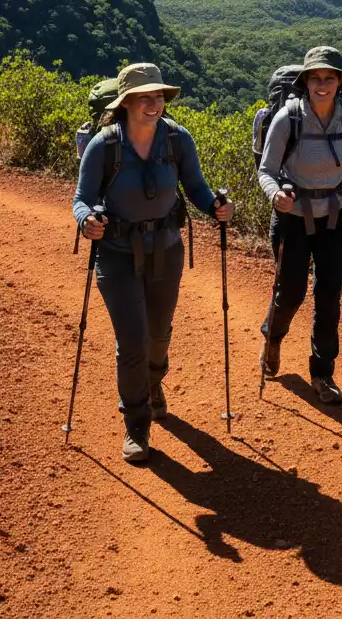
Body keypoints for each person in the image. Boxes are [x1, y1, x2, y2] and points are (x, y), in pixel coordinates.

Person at [74, 62, 234, 464]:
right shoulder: (104, 145)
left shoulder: (178, 140)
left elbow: (194, 186)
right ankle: (136, 423)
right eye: (144, 97)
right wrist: (87, 220)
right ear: (125, 102)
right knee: (133, 341)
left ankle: (152, 382)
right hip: (116, 253)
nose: (153, 104)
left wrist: (214, 204)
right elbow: (82, 198)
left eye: (158, 96)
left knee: (159, 335)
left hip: (166, 249)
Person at [257, 46, 342, 404]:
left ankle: (323, 373)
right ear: (306, 81)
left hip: (335, 216)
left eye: (329, 78)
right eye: (316, 77)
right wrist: (276, 196)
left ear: (339, 83)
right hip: (292, 216)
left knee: (328, 296)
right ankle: (272, 337)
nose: (322, 84)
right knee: (291, 292)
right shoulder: (288, 118)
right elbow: (267, 171)